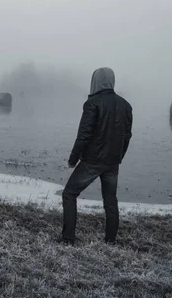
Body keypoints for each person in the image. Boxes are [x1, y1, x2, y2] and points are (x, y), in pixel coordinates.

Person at [61, 67, 132, 245]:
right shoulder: (126, 105)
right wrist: (119, 157)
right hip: (112, 162)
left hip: (92, 161)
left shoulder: (92, 103)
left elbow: (83, 135)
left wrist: (73, 159)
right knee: (110, 200)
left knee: (69, 194)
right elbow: (127, 136)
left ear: (95, 81)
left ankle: (68, 238)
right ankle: (110, 241)